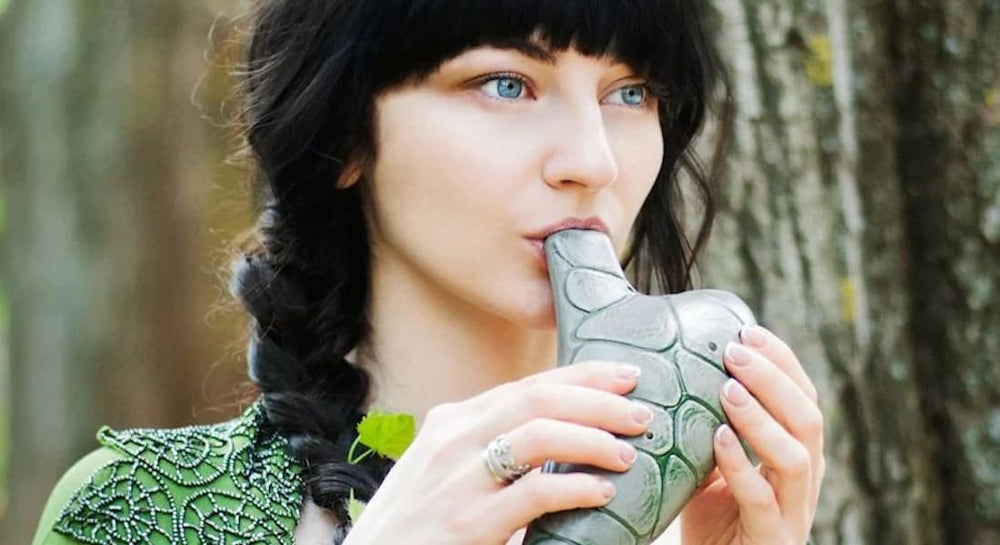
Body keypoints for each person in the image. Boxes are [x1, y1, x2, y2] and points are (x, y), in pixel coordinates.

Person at [32, 1, 825, 544]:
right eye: (506, 83)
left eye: (632, 91)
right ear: (345, 135)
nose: (593, 160)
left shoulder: (718, 517)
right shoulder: (141, 511)